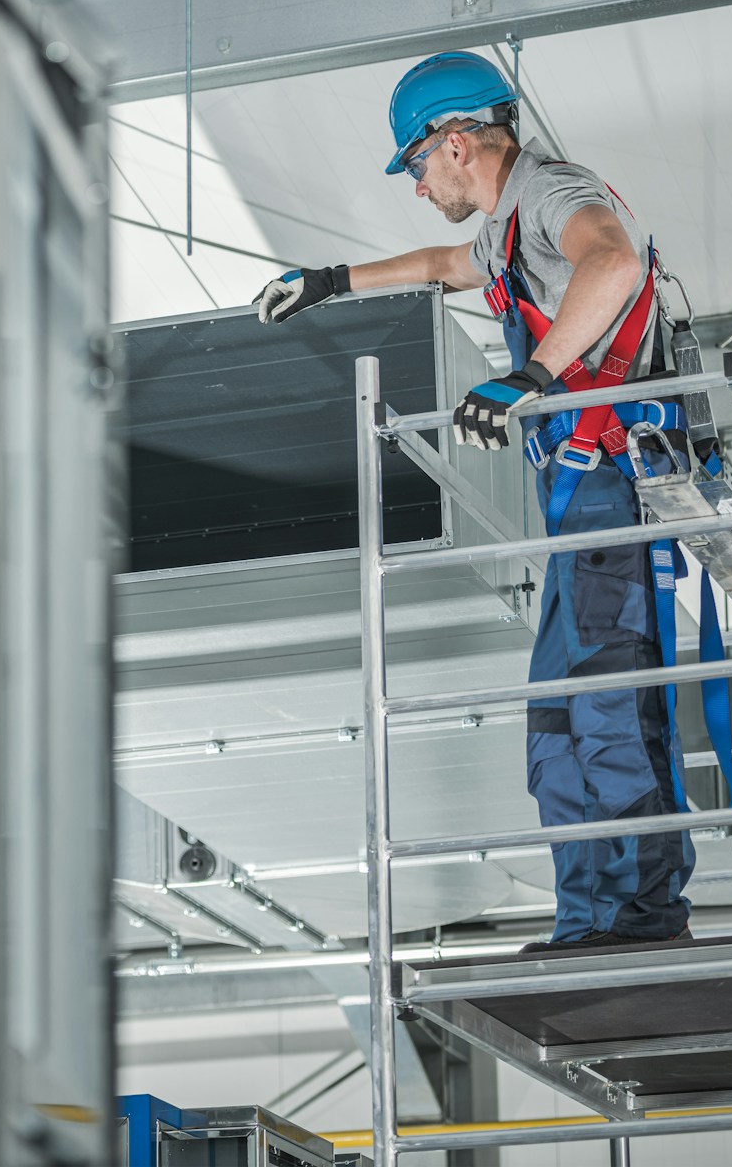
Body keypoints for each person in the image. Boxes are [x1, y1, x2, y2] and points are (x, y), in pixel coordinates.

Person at [254, 51, 694, 952]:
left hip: (609, 481)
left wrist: (526, 378)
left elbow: (610, 262)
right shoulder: (506, 228)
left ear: (456, 144)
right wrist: (332, 281)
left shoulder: (556, 193)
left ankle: (643, 918)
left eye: (415, 165)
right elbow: (447, 265)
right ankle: (590, 918)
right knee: (558, 718)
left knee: (608, 701)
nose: (417, 186)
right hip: (575, 498)